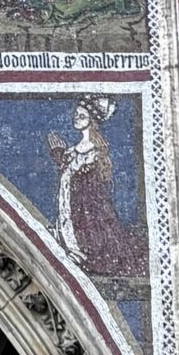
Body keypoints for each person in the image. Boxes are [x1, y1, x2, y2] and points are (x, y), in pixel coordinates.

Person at [47, 98, 145, 274]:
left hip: (87, 209)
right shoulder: (72, 151)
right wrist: (60, 157)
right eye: (76, 114)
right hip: (67, 201)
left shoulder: (95, 152)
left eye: (82, 116)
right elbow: (67, 173)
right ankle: (70, 245)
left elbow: (90, 183)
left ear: (91, 121)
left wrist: (69, 166)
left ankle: (81, 252)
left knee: (91, 235)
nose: (77, 118)